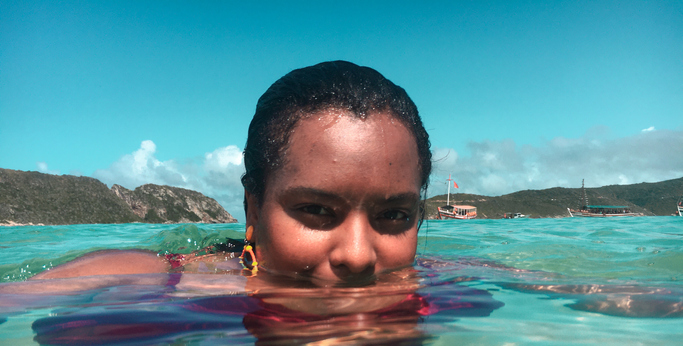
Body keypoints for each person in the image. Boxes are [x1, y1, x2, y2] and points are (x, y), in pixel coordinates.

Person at [22, 60, 432, 291]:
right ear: (253, 207)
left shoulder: (446, 283)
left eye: (395, 215)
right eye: (316, 209)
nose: (358, 257)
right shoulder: (160, 280)